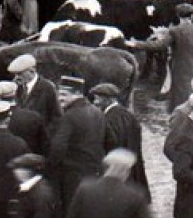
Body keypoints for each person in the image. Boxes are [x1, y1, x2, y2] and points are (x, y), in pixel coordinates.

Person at [48, 76, 106, 208]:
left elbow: (58, 147)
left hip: (73, 174)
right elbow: (109, 140)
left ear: (77, 94)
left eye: (64, 94)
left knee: (72, 209)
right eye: (59, 94)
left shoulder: (69, 116)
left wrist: (50, 166)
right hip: (95, 171)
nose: (59, 98)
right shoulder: (98, 112)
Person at [92, 83, 147, 199]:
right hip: (132, 165)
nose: (95, 103)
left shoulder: (108, 119)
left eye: (98, 99)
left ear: (109, 100)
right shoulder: (128, 115)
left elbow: (111, 143)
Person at [11, 54, 61, 137]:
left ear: (32, 71)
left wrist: (45, 135)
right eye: (15, 74)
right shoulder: (16, 88)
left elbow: (57, 117)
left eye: (19, 74)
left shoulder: (47, 88)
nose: (16, 78)